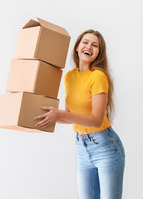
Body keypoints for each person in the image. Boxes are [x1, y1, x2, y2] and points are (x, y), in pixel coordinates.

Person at [34, 29, 125, 199]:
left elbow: (96, 120)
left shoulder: (98, 77)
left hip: (105, 147)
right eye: (85, 42)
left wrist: (60, 114)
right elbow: (70, 114)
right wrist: (46, 116)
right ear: (77, 47)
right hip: (82, 148)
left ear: (98, 53)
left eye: (94, 45)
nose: (89, 46)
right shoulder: (69, 77)